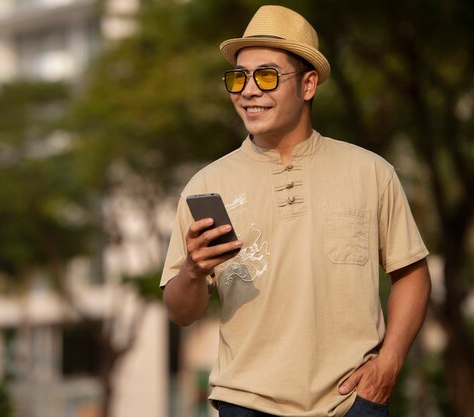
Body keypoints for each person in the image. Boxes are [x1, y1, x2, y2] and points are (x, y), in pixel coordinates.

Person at [160, 5, 431, 417]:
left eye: (267, 75)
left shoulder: (371, 171)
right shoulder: (205, 186)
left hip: (352, 403)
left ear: (308, 86)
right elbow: (182, 313)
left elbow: (411, 274)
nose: (248, 90)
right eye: (238, 77)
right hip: (245, 403)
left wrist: (388, 365)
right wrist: (193, 272)